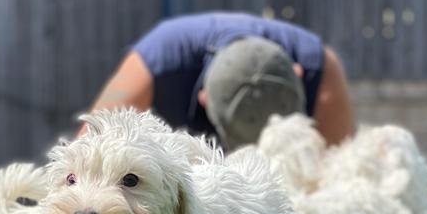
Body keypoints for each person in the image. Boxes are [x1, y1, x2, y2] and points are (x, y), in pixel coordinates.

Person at [84, 11, 354, 148]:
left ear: (297, 74)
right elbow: (84, 153)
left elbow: (337, 182)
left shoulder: (321, 70)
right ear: (203, 98)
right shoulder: (155, 64)